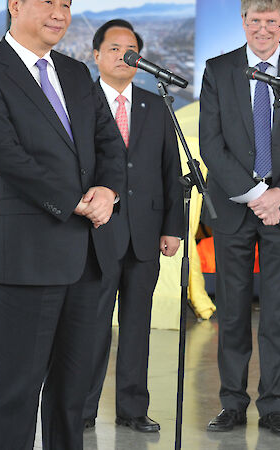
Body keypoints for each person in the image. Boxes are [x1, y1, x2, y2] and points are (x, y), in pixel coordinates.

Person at [0, 0, 125, 448]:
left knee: (73, 395)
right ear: (15, 5)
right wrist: (74, 201)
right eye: (48, 2)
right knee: (14, 391)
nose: (60, 13)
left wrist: (108, 191)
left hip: (86, 257)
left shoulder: (74, 73)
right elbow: (7, 157)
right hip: (27, 258)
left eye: (67, 4)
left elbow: (109, 143)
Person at [198, 0, 280, 437]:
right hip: (236, 206)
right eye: (256, 20)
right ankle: (232, 404)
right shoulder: (218, 69)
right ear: (243, 21)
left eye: (273, 21)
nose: (264, 29)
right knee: (232, 311)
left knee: (276, 313)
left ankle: (273, 407)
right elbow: (211, 145)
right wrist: (257, 196)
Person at [82, 19, 183, 433]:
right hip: (96, 232)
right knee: (91, 326)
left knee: (138, 326)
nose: (123, 56)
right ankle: (82, 409)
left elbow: (171, 170)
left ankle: (133, 409)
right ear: (96, 55)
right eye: (113, 48)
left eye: (131, 50)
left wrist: (173, 226)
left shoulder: (156, 105)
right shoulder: (81, 103)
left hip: (146, 234)